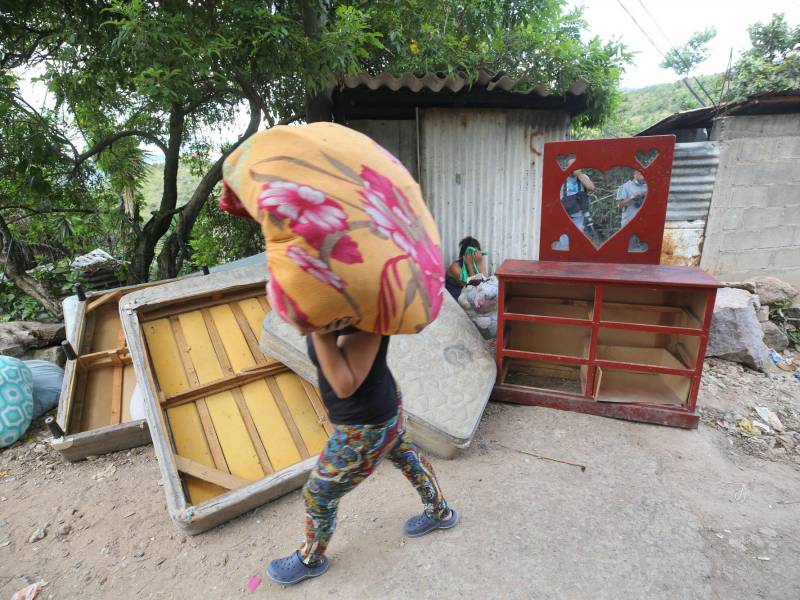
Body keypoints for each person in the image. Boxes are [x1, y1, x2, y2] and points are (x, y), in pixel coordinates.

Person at [266, 317, 458, 585]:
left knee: (318, 493)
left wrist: (317, 331)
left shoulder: (362, 315)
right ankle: (440, 512)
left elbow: (345, 384)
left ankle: (311, 559)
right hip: (382, 404)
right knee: (403, 453)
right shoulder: (335, 307)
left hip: (366, 426)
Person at [445, 236, 486, 300]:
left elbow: (484, 285)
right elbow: (473, 288)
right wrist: (470, 264)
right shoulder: (455, 268)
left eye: (476, 254)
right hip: (454, 300)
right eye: (472, 254)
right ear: (464, 255)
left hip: (466, 298)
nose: (475, 256)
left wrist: (479, 263)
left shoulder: (476, 265)